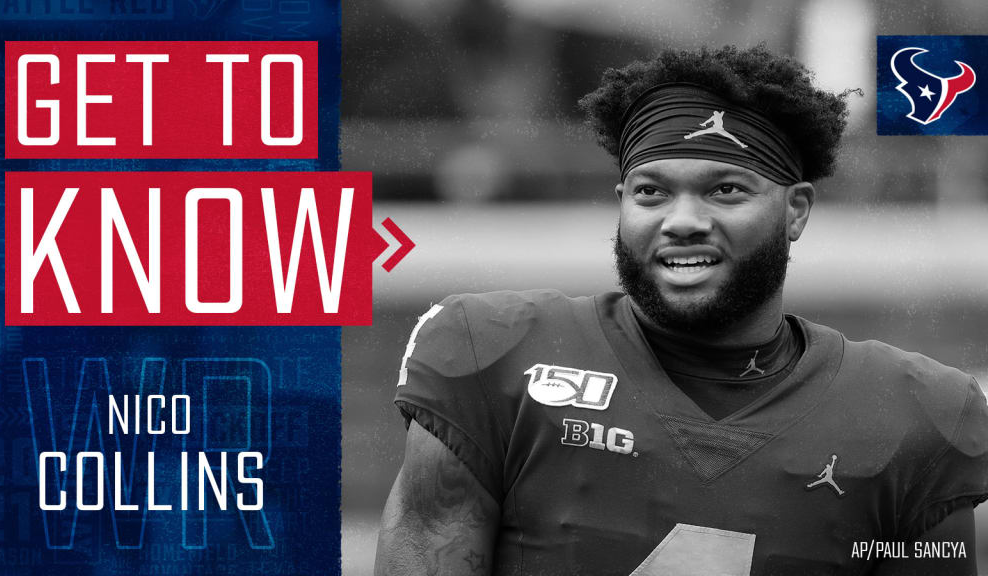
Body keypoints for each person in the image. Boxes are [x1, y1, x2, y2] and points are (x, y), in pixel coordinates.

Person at [375, 45, 988, 575]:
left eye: (726, 189)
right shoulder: (495, 354)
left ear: (795, 210)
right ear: (621, 203)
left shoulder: (916, 415)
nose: (684, 221)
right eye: (652, 191)